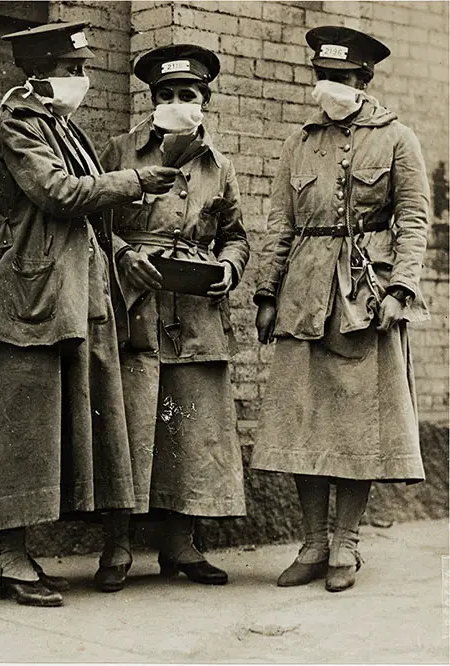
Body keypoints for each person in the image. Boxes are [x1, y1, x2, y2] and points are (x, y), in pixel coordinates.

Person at [0, 21, 179, 606]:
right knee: (21, 426)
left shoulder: (61, 126)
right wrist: (132, 181)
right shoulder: (20, 122)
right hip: (29, 298)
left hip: (69, 296)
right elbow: (58, 194)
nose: (81, 82)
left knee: (49, 428)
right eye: (72, 70)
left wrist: (121, 240)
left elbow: (86, 218)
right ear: (39, 71)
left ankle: (18, 552)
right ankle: (4, 554)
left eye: (82, 70)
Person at [252, 26, 430, 592]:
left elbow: (414, 221)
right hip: (304, 296)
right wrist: (265, 292)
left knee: (358, 425)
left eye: (344, 78)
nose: (331, 87)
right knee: (304, 418)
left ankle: (347, 545)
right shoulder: (297, 144)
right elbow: (281, 222)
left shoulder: (399, 138)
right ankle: (312, 542)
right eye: (323, 76)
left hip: (366, 296)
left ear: (365, 81)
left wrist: (401, 289)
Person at [100, 44, 249, 587]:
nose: (177, 103)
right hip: (134, 304)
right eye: (166, 95)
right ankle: (116, 546)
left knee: (193, 429)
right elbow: (93, 221)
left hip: (196, 310)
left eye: (188, 95)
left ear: (204, 102)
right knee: (129, 423)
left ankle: (181, 546)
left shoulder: (220, 166)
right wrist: (122, 254)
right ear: (152, 100)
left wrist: (229, 267)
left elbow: (235, 236)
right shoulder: (120, 150)